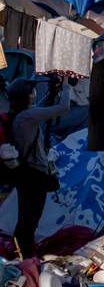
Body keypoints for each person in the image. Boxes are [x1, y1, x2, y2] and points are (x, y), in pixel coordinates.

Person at [5, 76, 72, 257]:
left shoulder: (18, 115)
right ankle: (25, 256)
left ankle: (23, 252)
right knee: (30, 220)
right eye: (31, 91)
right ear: (27, 95)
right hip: (34, 175)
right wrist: (66, 86)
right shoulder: (28, 116)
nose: (34, 93)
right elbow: (64, 108)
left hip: (25, 174)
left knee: (26, 217)